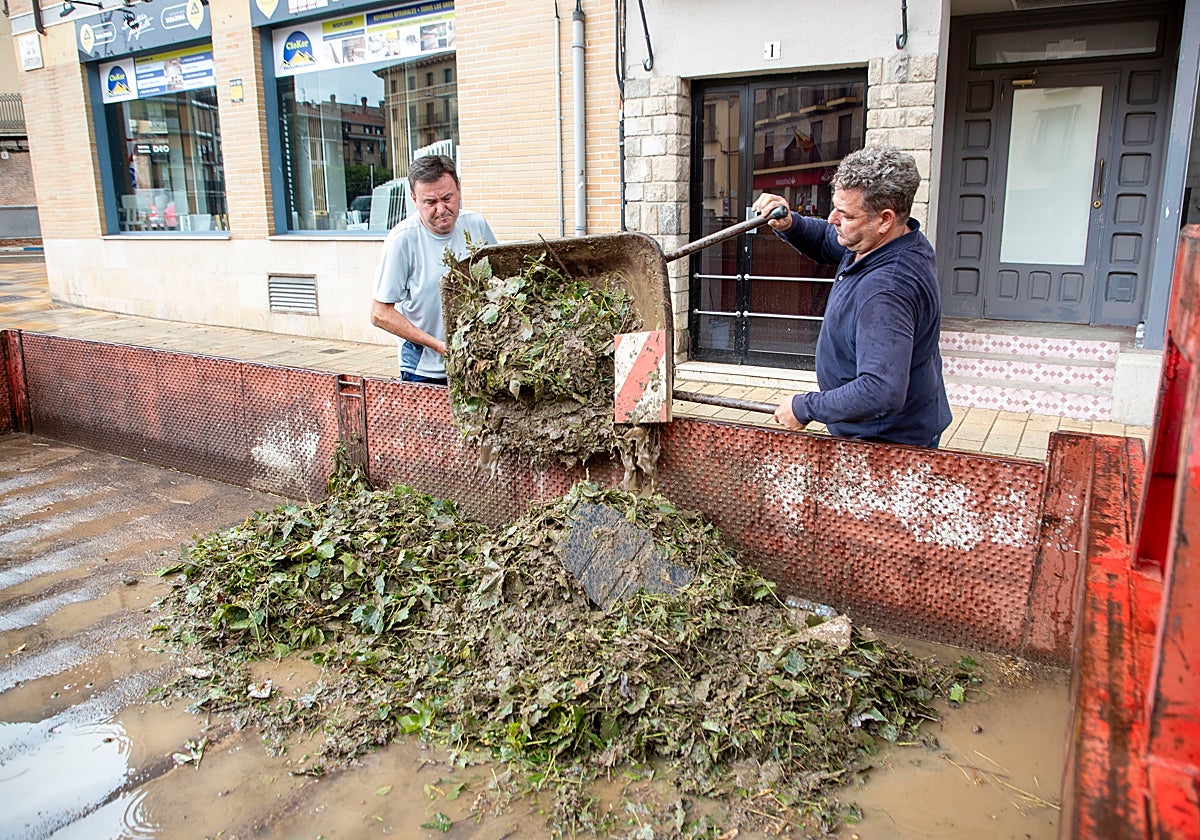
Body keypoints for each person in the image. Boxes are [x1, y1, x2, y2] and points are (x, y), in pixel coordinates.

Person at [751, 145, 951, 448]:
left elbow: (881, 389)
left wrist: (806, 408)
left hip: (887, 445)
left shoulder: (887, 290)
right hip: (877, 431)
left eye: (845, 214)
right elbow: (826, 239)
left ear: (884, 219)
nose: (832, 218)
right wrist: (791, 223)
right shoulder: (880, 242)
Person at [370, 154, 497, 384]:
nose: (441, 209)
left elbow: (499, 280)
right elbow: (380, 314)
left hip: (475, 363)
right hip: (423, 369)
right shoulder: (402, 240)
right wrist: (439, 346)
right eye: (430, 202)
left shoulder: (476, 225)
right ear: (414, 199)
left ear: (459, 189)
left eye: (447, 198)